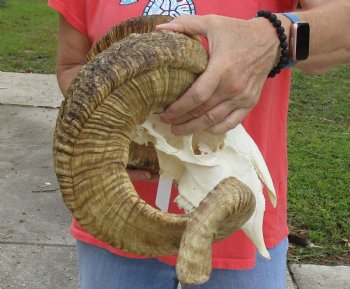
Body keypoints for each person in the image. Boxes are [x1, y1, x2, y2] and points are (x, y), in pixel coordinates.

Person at [48, 1, 350, 288]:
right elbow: (73, 65)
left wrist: (274, 37)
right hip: (113, 218)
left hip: (240, 224)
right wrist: (109, 128)